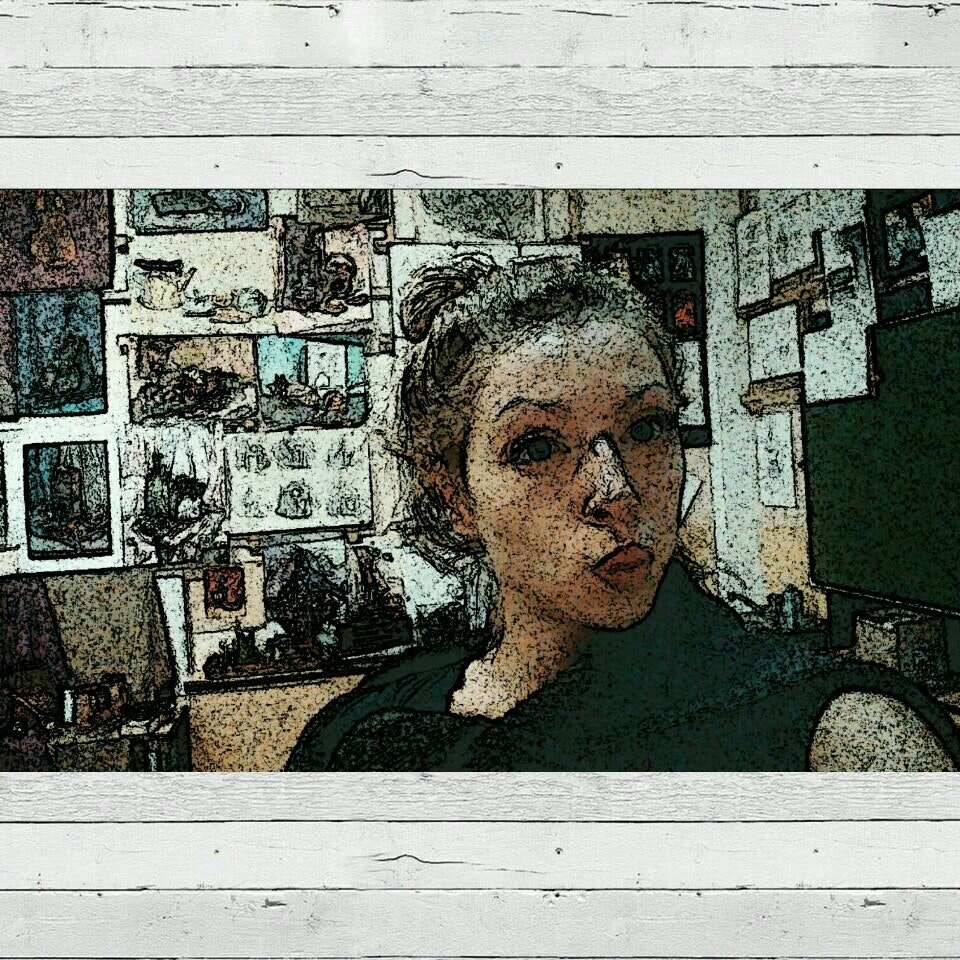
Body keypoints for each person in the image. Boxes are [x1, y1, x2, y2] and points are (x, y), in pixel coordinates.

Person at [287, 252, 960, 771]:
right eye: (537, 446)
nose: (615, 491)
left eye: (646, 428)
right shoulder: (361, 738)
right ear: (454, 498)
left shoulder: (827, 732)